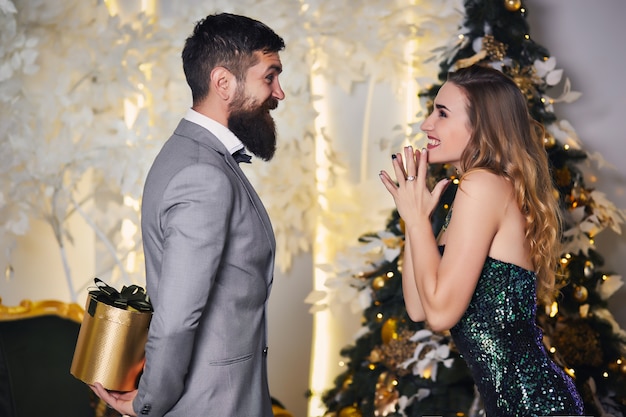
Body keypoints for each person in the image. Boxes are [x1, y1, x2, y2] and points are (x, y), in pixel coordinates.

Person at [90, 12, 285, 417]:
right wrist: (147, 404)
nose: (279, 92)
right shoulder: (202, 173)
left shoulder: (192, 155)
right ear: (223, 83)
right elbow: (177, 318)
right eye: (270, 76)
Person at [379, 64, 584, 416]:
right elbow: (419, 308)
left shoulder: (483, 185)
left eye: (442, 113)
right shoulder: (474, 189)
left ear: (482, 126)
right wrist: (418, 221)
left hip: (533, 406)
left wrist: (415, 222)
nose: (427, 124)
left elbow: (441, 314)